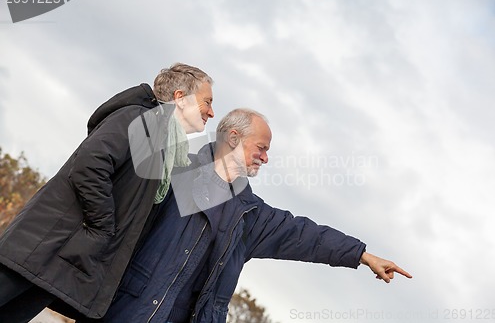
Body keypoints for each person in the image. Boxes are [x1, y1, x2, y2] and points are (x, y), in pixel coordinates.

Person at [99, 108, 412, 323]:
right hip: (125, 311)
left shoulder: (251, 216)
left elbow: (303, 235)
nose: (266, 157)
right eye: (261, 147)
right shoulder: (175, 171)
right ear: (233, 138)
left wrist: (361, 255)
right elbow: (112, 197)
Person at [0, 63, 215, 322]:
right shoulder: (138, 119)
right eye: (207, 102)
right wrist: (103, 228)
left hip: (62, 263)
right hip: (40, 249)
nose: (212, 112)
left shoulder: (165, 148)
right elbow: (90, 165)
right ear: (181, 98)